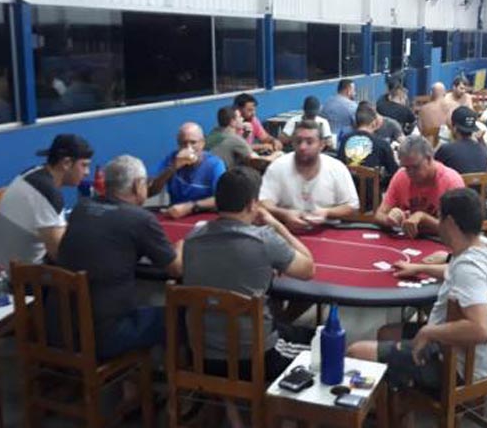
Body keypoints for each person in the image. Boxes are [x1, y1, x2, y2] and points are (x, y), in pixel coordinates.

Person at [347, 188, 487, 394]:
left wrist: (429, 332)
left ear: (450, 223)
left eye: (440, 217)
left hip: (455, 366)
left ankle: (382, 400)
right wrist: (419, 268)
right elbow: (456, 273)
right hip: (472, 353)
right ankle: (392, 402)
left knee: (356, 352)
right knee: (386, 332)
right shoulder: (486, 246)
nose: (437, 223)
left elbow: (480, 330)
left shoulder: (469, 269)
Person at [181, 166, 315, 380]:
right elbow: (308, 269)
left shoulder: (192, 238)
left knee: (281, 326)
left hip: (200, 356)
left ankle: (227, 398)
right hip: (254, 359)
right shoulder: (264, 240)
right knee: (322, 340)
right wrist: (276, 224)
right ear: (253, 204)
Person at [56, 155, 180, 360]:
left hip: (61, 326)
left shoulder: (81, 208)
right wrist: (181, 247)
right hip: (105, 334)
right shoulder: (140, 219)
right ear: (138, 185)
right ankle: (169, 375)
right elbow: (175, 269)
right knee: (179, 316)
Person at [0, 134, 93, 278]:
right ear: (66, 163)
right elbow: (61, 256)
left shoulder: (33, 173)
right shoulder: (46, 193)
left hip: (3, 267)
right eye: (84, 165)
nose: (87, 173)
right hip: (13, 282)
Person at [260, 120, 359, 232]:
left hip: (328, 229)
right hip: (286, 229)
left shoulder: (337, 167)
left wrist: (327, 212)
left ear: (321, 145)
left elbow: (352, 207)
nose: (302, 147)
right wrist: (285, 214)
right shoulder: (278, 166)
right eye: (298, 141)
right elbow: (263, 203)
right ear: (293, 143)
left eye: (309, 142)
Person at [375, 135, 464, 238]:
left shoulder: (451, 181)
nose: (410, 173)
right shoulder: (401, 175)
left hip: (440, 242)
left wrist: (423, 218)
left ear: (429, 159)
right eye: (406, 167)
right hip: (408, 240)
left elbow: (458, 231)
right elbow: (378, 215)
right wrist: (389, 220)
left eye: (415, 167)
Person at [149, 122, 226, 218]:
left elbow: (222, 198)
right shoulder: (172, 159)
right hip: (175, 214)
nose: (188, 147)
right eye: (183, 143)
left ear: (202, 143)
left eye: (193, 142)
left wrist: (191, 207)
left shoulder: (215, 164)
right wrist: (173, 167)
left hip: (203, 215)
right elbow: (152, 190)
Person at [338, 102, 398, 186]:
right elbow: (394, 172)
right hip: (372, 193)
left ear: (356, 122)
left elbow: (339, 167)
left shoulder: (344, 140)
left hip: (347, 191)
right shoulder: (382, 144)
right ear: (374, 123)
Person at [434, 106, 487, 174]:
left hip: (457, 181)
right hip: (482, 180)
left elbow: (433, 168)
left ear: (454, 128)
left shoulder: (446, 149)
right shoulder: (483, 148)